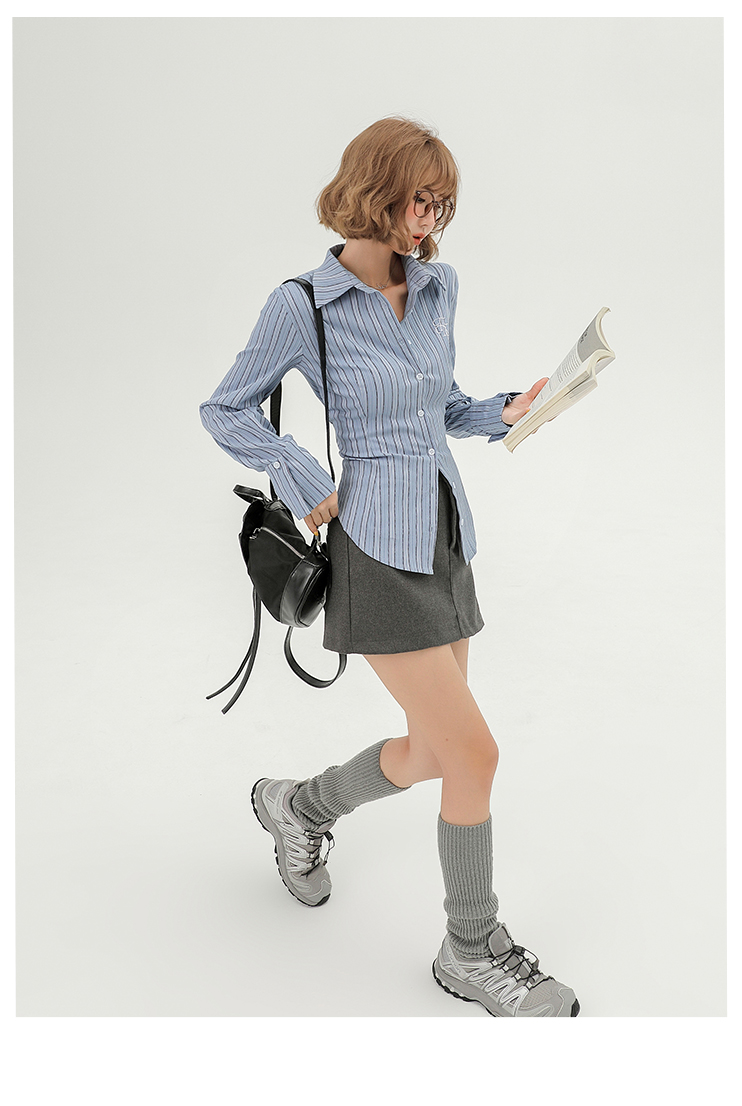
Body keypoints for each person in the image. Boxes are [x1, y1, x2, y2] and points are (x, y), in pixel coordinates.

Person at [199, 116, 579, 1017]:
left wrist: (505, 411)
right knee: (475, 752)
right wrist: (297, 469)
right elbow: (224, 408)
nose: (430, 219)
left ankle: (300, 807)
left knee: (433, 752)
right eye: (419, 199)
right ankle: (470, 948)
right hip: (372, 546)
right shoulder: (305, 303)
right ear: (374, 191)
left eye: (442, 203)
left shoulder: (438, 287)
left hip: (444, 536)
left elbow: (438, 405)